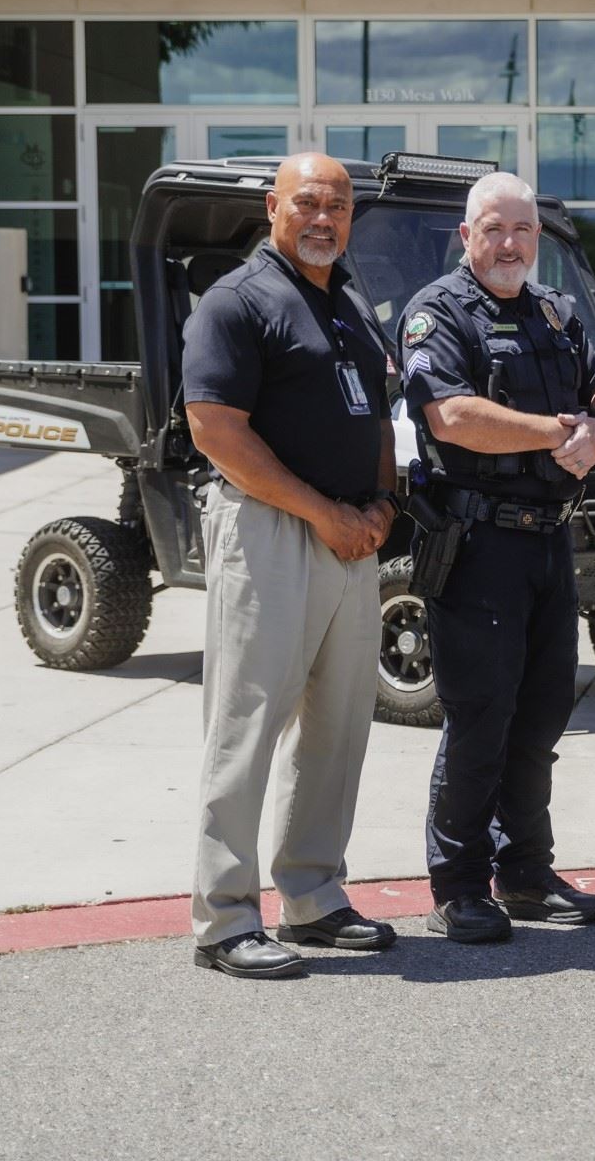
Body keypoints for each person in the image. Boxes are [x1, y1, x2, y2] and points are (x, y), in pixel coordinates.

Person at [398, 172, 595, 944]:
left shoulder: (557, 314)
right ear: (466, 237)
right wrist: (556, 431)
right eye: (494, 229)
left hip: (546, 543)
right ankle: (459, 884)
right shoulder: (437, 313)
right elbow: (454, 416)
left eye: (522, 230)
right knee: (480, 716)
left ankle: (526, 872)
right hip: (477, 544)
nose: (509, 244)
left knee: (539, 717)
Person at [184, 152, 399, 979]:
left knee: (338, 727)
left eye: (338, 206)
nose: (324, 219)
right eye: (307, 202)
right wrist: (327, 513)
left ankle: (312, 896)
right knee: (247, 725)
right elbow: (215, 429)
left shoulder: (348, 298)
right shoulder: (237, 301)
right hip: (273, 531)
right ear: (273, 207)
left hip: (353, 538)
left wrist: (380, 507)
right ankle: (224, 918)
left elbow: (379, 419)